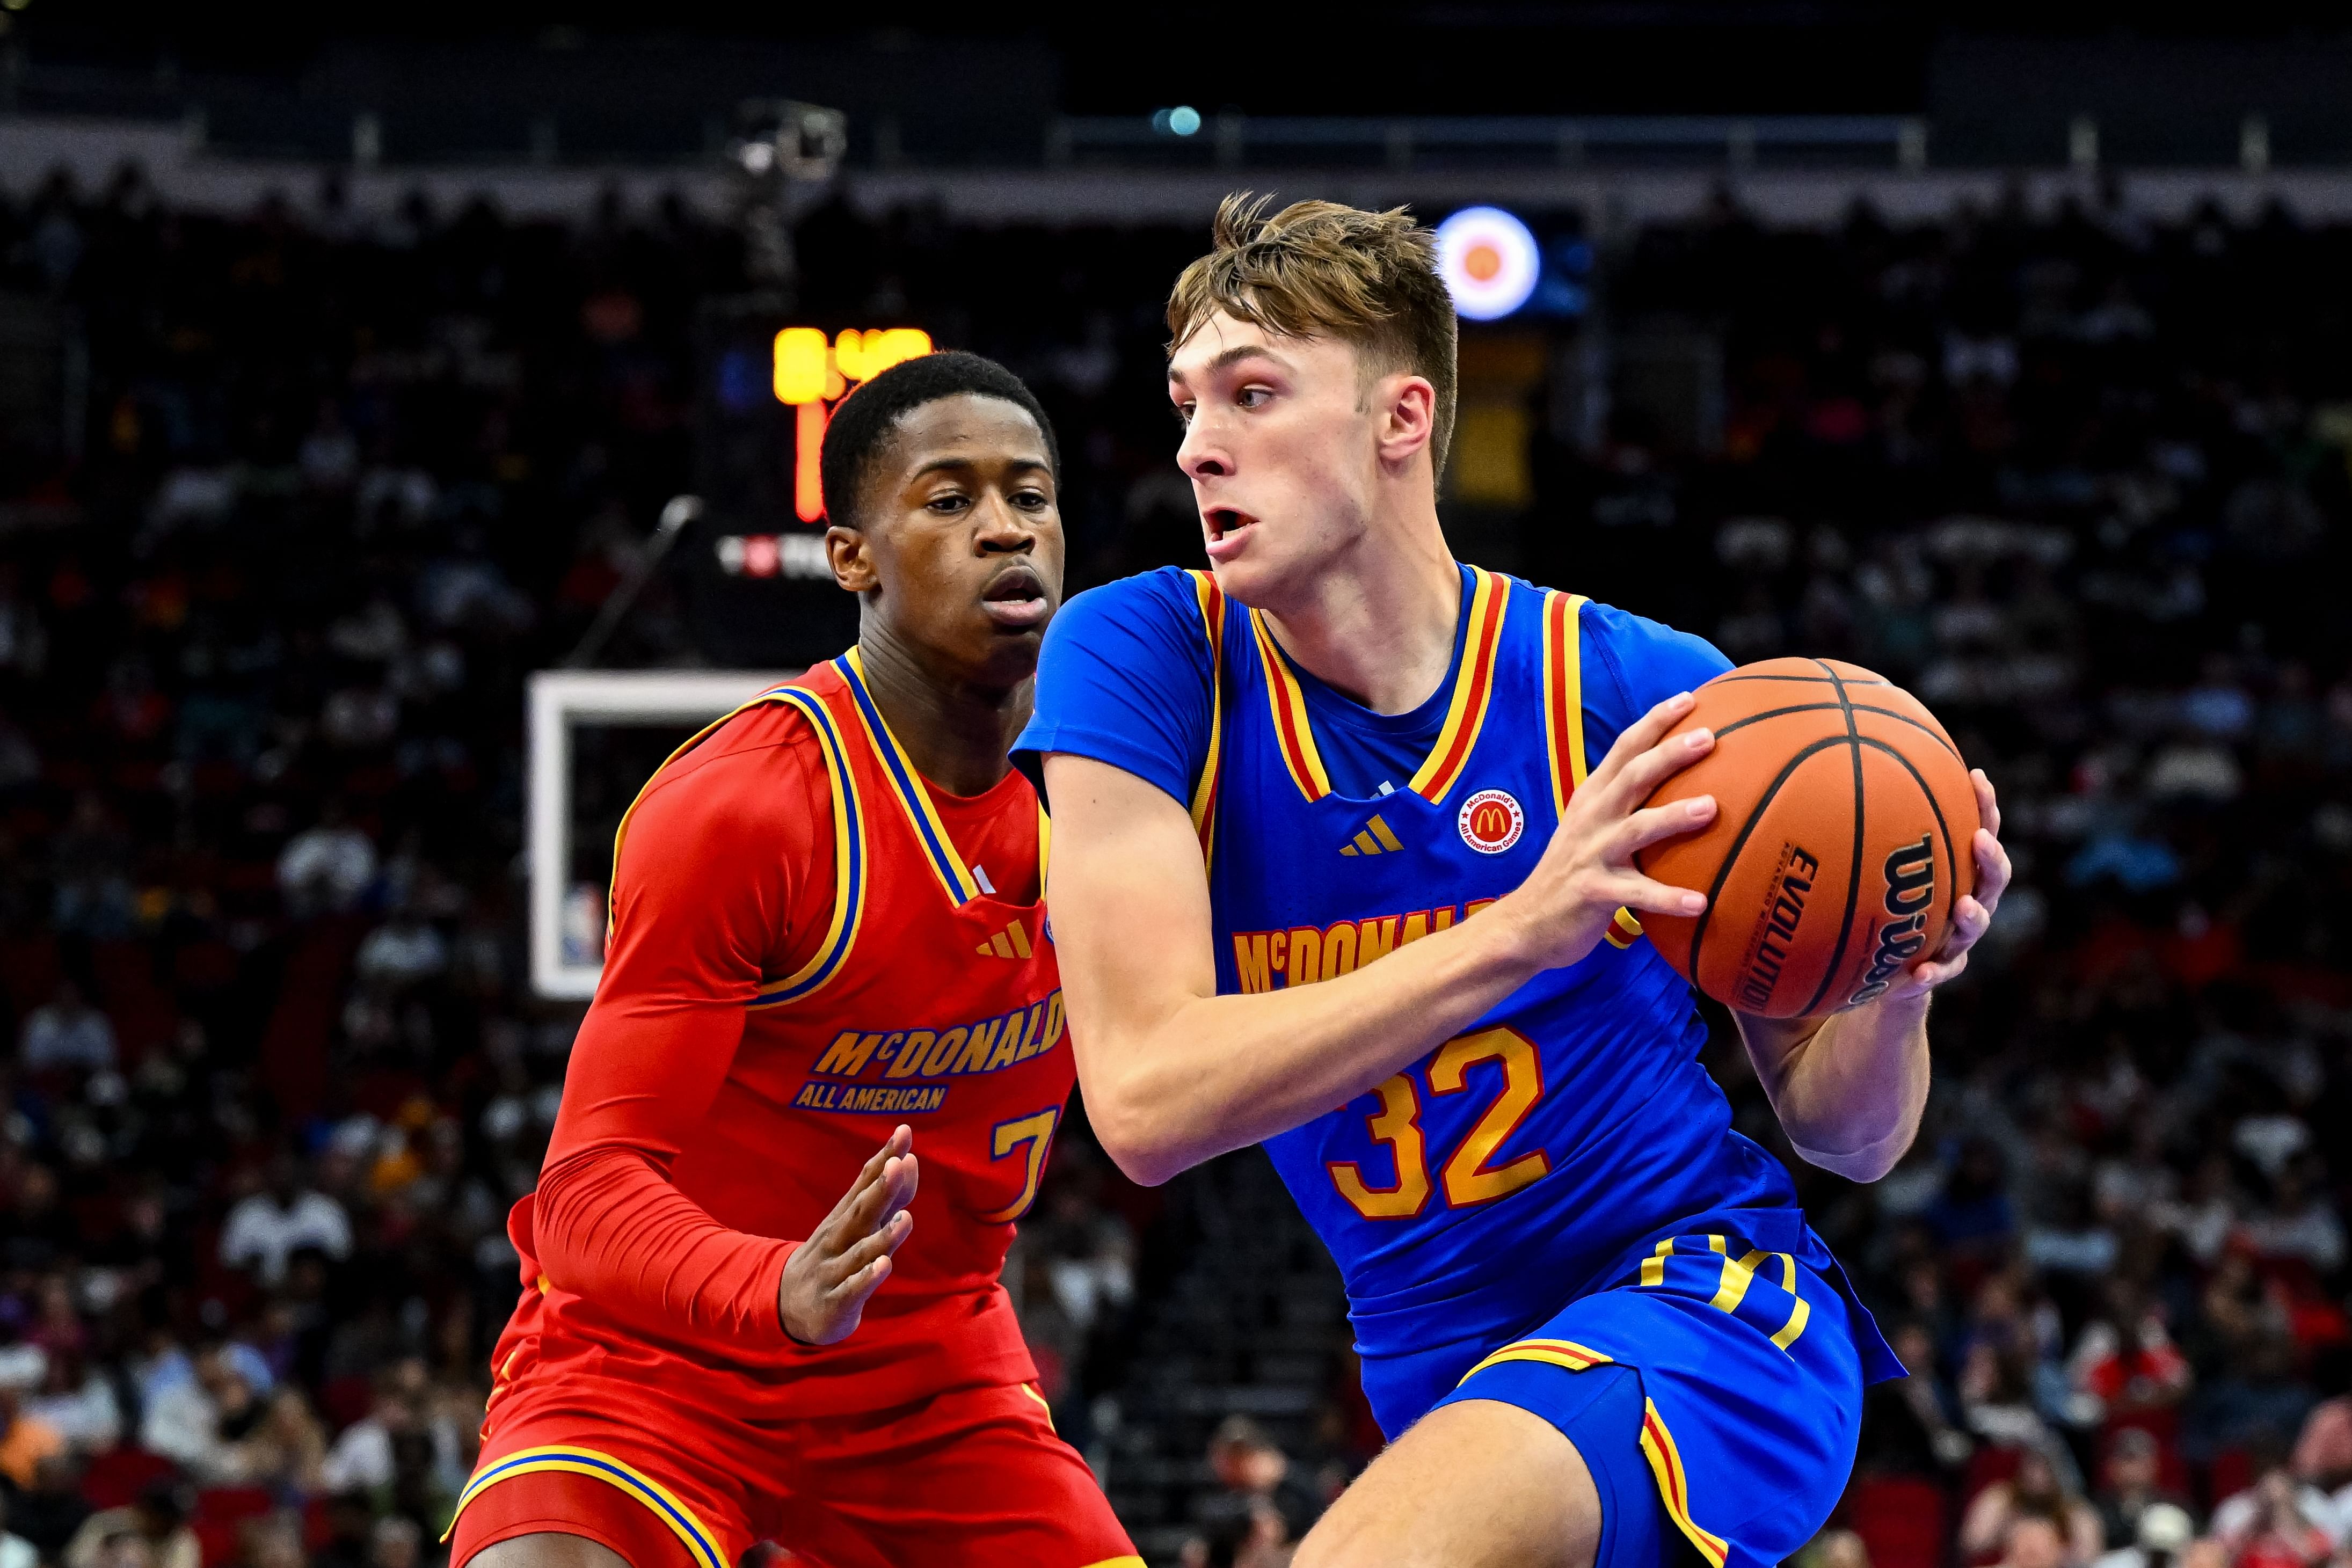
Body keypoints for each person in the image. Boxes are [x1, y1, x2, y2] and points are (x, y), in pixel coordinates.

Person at [1025, 195, 2012, 1568]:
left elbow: (1849, 1137)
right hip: (1435, 1371)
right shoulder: (1146, 659)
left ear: (1401, 420)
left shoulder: (1642, 697)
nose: (1198, 444)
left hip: (1703, 1309)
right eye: (1187, 400)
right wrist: (1518, 932)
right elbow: (1141, 1102)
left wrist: (1896, 988)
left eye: (1254, 394)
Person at [448, 353, 1137, 1568]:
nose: (1002, 529)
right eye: (947, 500)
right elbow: (579, 1201)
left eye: (1029, 496)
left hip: (930, 1379)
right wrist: (773, 1286)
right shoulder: (746, 808)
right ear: (851, 557)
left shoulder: (1117, 789)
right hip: (656, 1366)